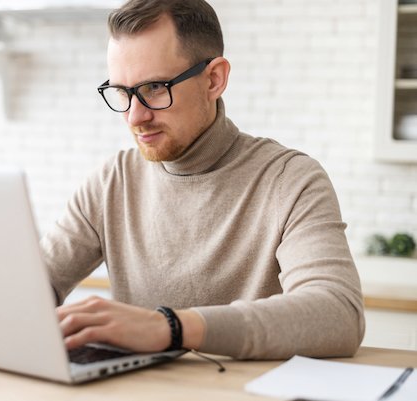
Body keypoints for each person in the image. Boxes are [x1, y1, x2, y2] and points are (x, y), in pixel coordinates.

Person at [40, 0, 365, 360]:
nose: (134, 117)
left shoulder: (290, 180)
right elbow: (35, 283)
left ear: (214, 79)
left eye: (154, 88)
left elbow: (338, 314)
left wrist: (171, 329)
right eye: (122, 92)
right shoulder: (112, 181)